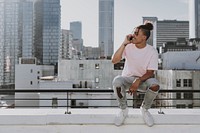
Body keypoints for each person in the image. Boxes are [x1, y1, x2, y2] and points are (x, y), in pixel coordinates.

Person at [112, 21, 160, 127]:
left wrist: (138, 80)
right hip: (127, 79)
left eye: (136, 33)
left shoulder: (152, 51)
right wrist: (124, 44)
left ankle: (145, 109)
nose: (133, 35)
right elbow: (114, 61)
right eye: (133, 32)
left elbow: (150, 72)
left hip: (143, 81)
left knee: (155, 85)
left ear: (144, 37)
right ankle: (123, 110)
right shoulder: (128, 47)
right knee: (117, 81)